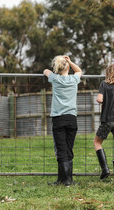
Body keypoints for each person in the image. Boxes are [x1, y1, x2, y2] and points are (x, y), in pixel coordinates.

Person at [43, 55, 82, 186]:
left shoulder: (55, 78)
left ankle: (66, 181)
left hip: (58, 118)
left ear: (57, 68)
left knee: (61, 149)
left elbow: (45, 71)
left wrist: (58, 68)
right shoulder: (74, 79)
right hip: (72, 118)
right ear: (68, 67)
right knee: (68, 148)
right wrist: (70, 61)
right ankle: (64, 179)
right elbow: (79, 71)